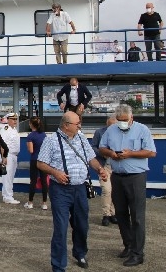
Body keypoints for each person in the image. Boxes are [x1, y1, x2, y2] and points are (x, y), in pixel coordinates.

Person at [37, 111, 108, 272]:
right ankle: (58, 265)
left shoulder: (82, 138)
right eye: (77, 124)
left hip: (80, 188)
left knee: (82, 225)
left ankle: (80, 252)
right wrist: (56, 173)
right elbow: (41, 164)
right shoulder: (51, 141)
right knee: (61, 228)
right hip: (60, 190)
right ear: (66, 125)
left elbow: (91, 158)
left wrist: (100, 169)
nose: (80, 126)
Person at [99, 104, 157, 267]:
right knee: (121, 214)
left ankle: (138, 253)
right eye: (119, 120)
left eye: (124, 120)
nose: (122, 123)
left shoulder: (142, 130)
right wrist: (111, 153)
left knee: (137, 216)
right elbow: (102, 147)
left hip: (136, 177)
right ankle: (128, 246)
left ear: (131, 118)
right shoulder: (111, 130)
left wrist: (130, 153)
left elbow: (151, 152)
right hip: (117, 176)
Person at [91, 115, 118, 227]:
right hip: (104, 164)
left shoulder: (121, 133)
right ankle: (106, 214)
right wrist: (102, 152)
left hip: (116, 165)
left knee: (115, 190)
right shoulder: (99, 132)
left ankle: (113, 213)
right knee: (107, 189)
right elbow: (93, 147)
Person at [25, 117, 49, 210]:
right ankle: (44, 203)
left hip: (34, 160)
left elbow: (31, 150)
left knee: (33, 181)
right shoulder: (44, 135)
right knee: (44, 181)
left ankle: (30, 202)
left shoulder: (30, 136)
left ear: (31, 124)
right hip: (43, 160)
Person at [0, 113, 21, 205]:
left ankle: (8, 195)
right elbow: (2, 144)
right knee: (7, 177)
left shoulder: (14, 130)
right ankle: (7, 197)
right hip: (8, 155)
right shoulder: (5, 130)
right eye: (13, 119)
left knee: (11, 176)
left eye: (16, 119)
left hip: (14, 156)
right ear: (8, 119)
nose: (15, 121)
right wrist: (4, 157)